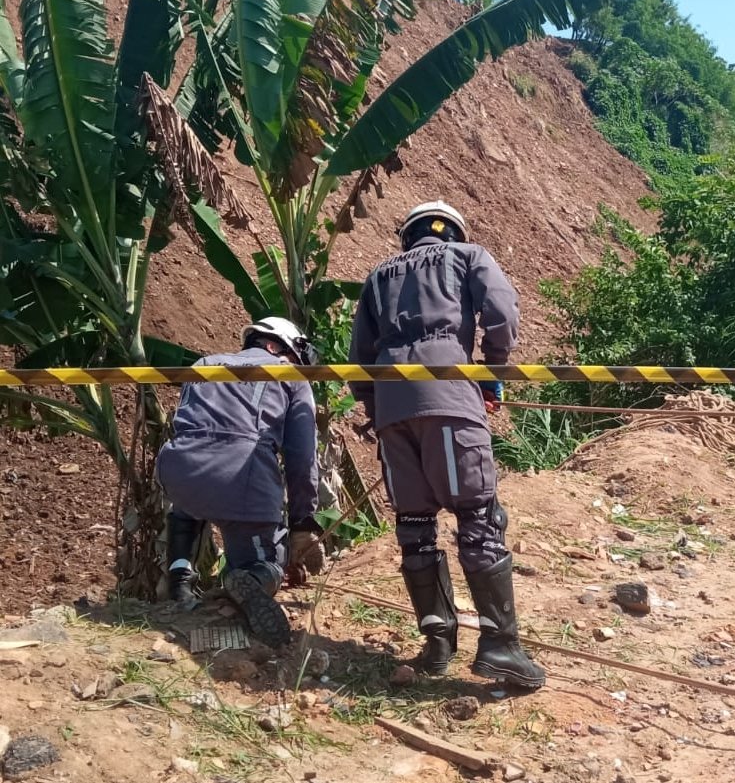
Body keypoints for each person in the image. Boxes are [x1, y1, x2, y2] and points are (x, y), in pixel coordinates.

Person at [349, 200, 545, 689]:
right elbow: (500, 310)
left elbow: (359, 357)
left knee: (413, 524)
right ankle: (500, 647)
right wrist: (491, 372)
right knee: (478, 517)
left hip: (393, 409)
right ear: (452, 231)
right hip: (450, 397)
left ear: (408, 235)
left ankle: (437, 645)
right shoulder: (468, 256)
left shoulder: (377, 277)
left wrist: (381, 411)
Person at [155, 317, 323, 646]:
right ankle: (250, 576)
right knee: (264, 563)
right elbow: (301, 456)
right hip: (240, 478)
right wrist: (304, 521)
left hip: (178, 469)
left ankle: (178, 579)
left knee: (189, 504)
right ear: (278, 347)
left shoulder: (204, 363)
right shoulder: (290, 375)